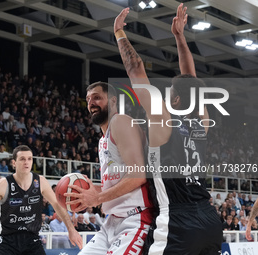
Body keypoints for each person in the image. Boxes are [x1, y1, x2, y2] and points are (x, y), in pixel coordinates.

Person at [113, 4, 222, 254]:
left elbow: (135, 69)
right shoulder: (201, 124)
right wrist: (180, 38)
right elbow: (191, 78)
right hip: (209, 219)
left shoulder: (164, 121)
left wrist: (119, 32)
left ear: (174, 100)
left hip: (178, 220)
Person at [65, 81, 153, 255]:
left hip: (135, 219)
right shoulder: (102, 140)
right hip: (111, 223)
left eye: (97, 98)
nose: (91, 103)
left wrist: (97, 199)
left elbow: (138, 175)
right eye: (88, 99)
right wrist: (86, 193)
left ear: (113, 101)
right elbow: (117, 183)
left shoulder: (120, 121)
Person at [0, 145, 82, 255]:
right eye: (22, 159)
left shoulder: (40, 181)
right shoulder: (3, 184)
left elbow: (57, 205)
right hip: (7, 240)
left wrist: (71, 229)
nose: (26, 162)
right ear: (14, 163)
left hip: (32, 238)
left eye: (29, 159)